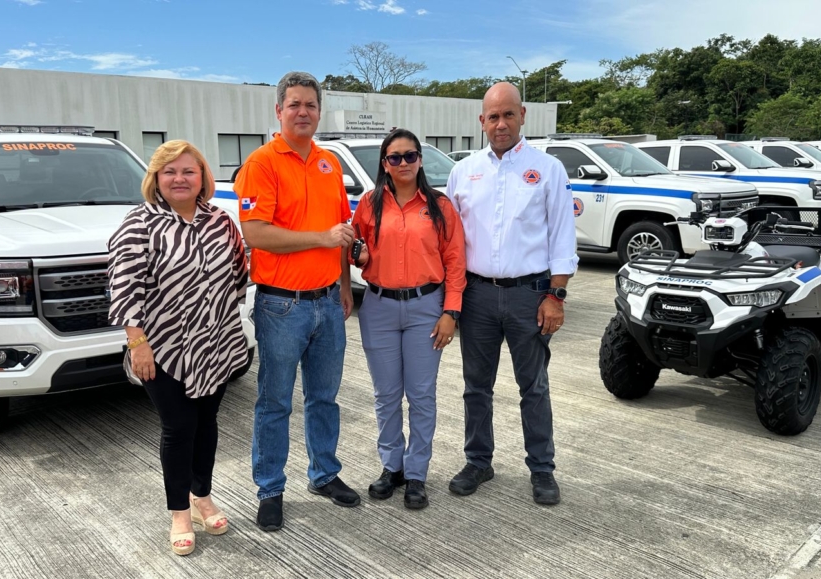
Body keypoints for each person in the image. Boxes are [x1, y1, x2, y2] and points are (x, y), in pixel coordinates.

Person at [107, 140, 249, 555]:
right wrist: (137, 343)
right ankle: (180, 513)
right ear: (156, 178)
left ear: (203, 176)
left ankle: (201, 495)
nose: (180, 179)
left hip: (216, 342)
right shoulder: (139, 224)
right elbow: (124, 287)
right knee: (179, 427)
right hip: (162, 348)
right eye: (169, 171)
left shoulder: (220, 221)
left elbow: (239, 273)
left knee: (207, 423)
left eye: (189, 171)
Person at [235, 71, 358, 532]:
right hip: (282, 307)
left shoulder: (329, 163)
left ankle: (324, 474)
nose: (303, 112)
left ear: (319, 112)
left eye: (310, 105)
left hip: (328, 303)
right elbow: (256, 233)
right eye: (295, 104)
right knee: (275, 402)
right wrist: (319, 238)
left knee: (324, 398)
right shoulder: (262, 164)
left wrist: (343, 284)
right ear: (279, 110)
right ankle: (270, 489)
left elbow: (341, 231)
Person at [445, 82, 578, 505]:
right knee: (475, 387)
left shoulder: (548, 169)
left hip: (530, 296)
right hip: (477, 296)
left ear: (522, 116)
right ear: (481, 121)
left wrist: (556, 296)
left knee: (533, 386)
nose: (500, 124)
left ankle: (542, 468)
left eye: (508, 115)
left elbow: (562, 236)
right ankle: (478, 461)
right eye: (493, 116)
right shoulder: (464, 172)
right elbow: (449, 240)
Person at [350, 129, 466, 509]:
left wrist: (451, 312)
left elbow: (455, 261)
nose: (403, 163)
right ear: (384, 163)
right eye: (394, 157)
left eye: (410, 155)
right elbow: (355, 248)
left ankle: (416, 473)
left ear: (420, 159)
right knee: (386, 395)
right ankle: (392, 467)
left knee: (421, 395)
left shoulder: (440, 206)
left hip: (426, 309)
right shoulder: (368, 204)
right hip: (379, 308)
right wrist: (357, 256)